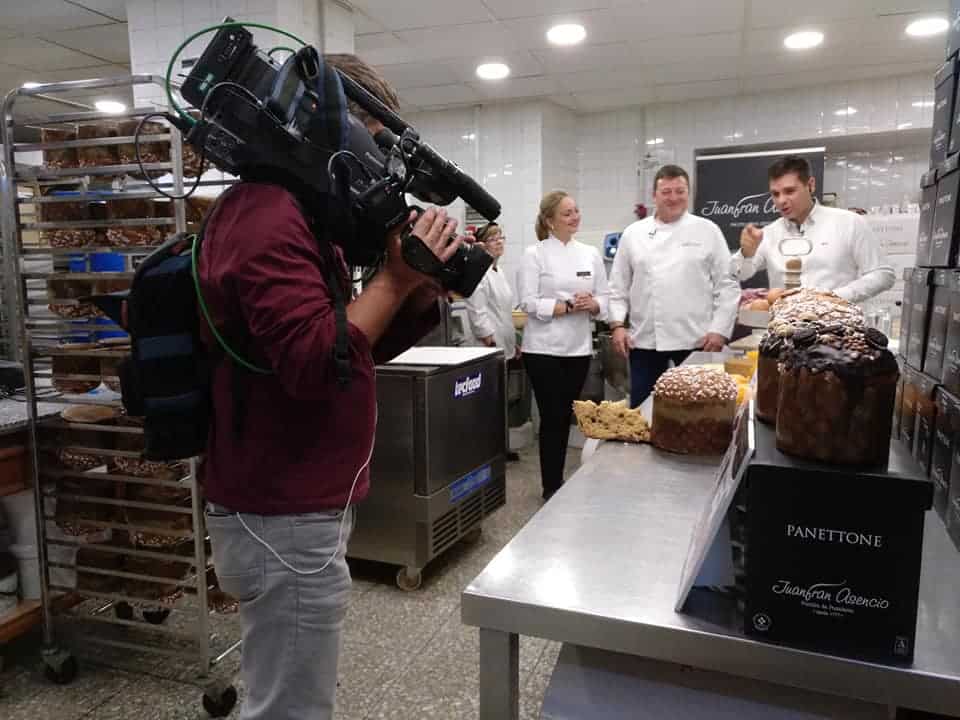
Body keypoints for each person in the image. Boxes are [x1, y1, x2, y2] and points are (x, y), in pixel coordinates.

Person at [198, 54, 468, 720]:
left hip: (295, 501)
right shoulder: (267, 218)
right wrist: (393, 280)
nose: (379, 173)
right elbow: (318, 366)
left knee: (290, 692)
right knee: (290, 707)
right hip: (278, 510)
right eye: (373, 150)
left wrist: (420, 288)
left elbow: (352, 350)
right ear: (331, 131)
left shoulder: (297, 214)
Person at [609, 165, 740, 408]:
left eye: (680, 191)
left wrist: (720, 329)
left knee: (698, 410)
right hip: (645, 341)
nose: (673, 198)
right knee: (642, 410)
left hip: (697, 339)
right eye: (666, 192)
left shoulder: (707, 230)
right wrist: (617, 325)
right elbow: (617, 286)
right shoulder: (633, 234)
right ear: (654, 196)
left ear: (688, 193)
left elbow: (728, 284)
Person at [519, 191, 609, 500]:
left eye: (576, 211)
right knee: (553, 416)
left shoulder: (590, 254)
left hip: (578, 349)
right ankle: (551, 486)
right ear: (549, 220)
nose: (575, 217)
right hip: (542, 349)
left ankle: (557, 482)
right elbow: (528, 302)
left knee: (565, 414)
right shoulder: (535, 254)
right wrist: (567, 307)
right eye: (567, 213)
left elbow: (605, 299)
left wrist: (593, 303)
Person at [734, 155, 896, 302]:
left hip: (834, 328)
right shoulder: (769, 233)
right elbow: (740, 273)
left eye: (789, 191)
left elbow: (883, 274)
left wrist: (835, 297)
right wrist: (746, 254)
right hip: (783, 328)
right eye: (775, 194)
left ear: (810, 185)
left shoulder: (849, 222)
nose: (781, 200)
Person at [465, 222, 518, 360]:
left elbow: (503, 313)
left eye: (501, 238)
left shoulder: (498, 270)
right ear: (482, 245)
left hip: (503, 346)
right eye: (493, 239)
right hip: (487, 349)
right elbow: (476, 311)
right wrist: (490, 342)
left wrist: (511, 344)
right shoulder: (478, 271)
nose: (499, 242)